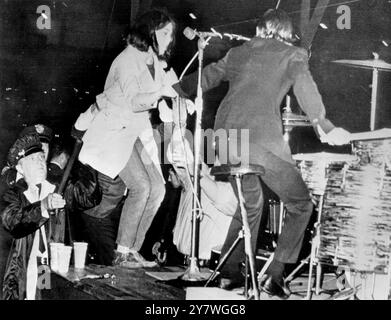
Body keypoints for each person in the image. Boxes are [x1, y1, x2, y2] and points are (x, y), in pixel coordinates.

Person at [173, 9, 351, 298]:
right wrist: (323, 125)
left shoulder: (239, 53)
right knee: (301, 205)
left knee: (251, 205)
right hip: (261, 142)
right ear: (284, 32)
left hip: (223, 141)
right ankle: (274, 276)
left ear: (260, 30)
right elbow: (305, 89)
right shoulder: (292, 55)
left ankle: (229, 274)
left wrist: (177, 89)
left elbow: (207, 76)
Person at [72, 9, 179, 268]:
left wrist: (178, 97)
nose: (170, 39)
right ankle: (121, 252)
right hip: (115, 134)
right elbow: (134, 100)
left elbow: (171, 94)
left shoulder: (153, 60)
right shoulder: (128, 58)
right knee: (142, 187)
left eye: (171, 35)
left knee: (158, 189)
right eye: (165, 32)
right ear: (150, 30)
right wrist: (161, 93)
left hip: (133, 134)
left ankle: (131, 250)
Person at [1, 134, 65, 300]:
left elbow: (87, 197)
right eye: (33, 159)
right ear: (20, 169)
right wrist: (43, 205)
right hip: (19, 278)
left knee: (44, 293)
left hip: (48, 271)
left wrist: (92, 158)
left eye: (42, 157)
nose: (40, 162)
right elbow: (14, 223)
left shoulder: (58, 189)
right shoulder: (11, 195)